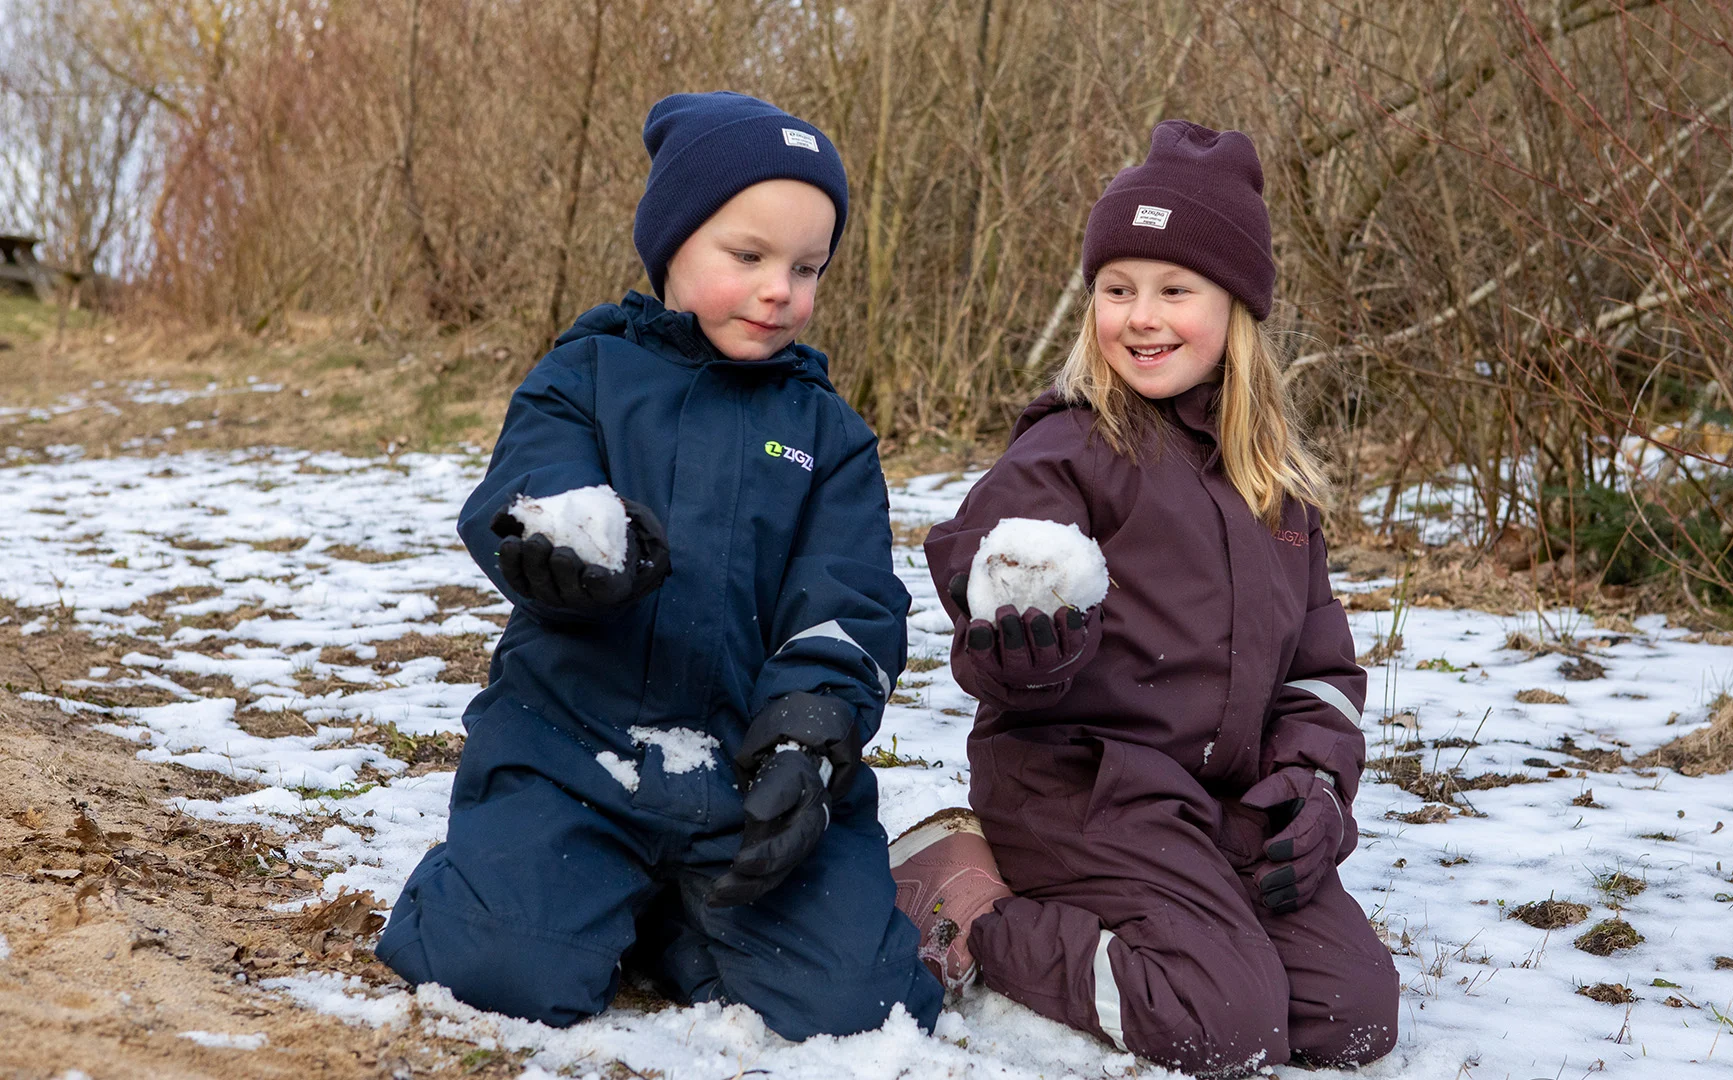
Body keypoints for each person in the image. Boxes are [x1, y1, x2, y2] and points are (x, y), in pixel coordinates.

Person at [375, 91, 942, 1038]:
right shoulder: (585, 375)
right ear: (673, 245)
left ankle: (673, 915)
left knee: (861, 1007)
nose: (780, 291)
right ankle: (533, 885)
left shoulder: (828, 436)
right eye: (749, 257)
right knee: (498, 971)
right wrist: (561, 542)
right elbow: (529, 485)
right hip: (571, 751)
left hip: (744, 778)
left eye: (807, 269)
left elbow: (848, 601)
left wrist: (808, 738)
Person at [894, 120, 1400, 1073]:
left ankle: (1188, 924)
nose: (1142, 315)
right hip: (1083, 790)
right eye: (1117, 290)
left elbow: (1321, 670)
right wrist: (1017, 632)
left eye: (1176, 289)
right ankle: (975, 914)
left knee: (1350, 1015)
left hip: (1225, 804)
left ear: (1237, 309)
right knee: (1222, 1023)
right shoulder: (1070, 448)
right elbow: (985, 553)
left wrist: (1316, 785)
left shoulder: (1276, 490)